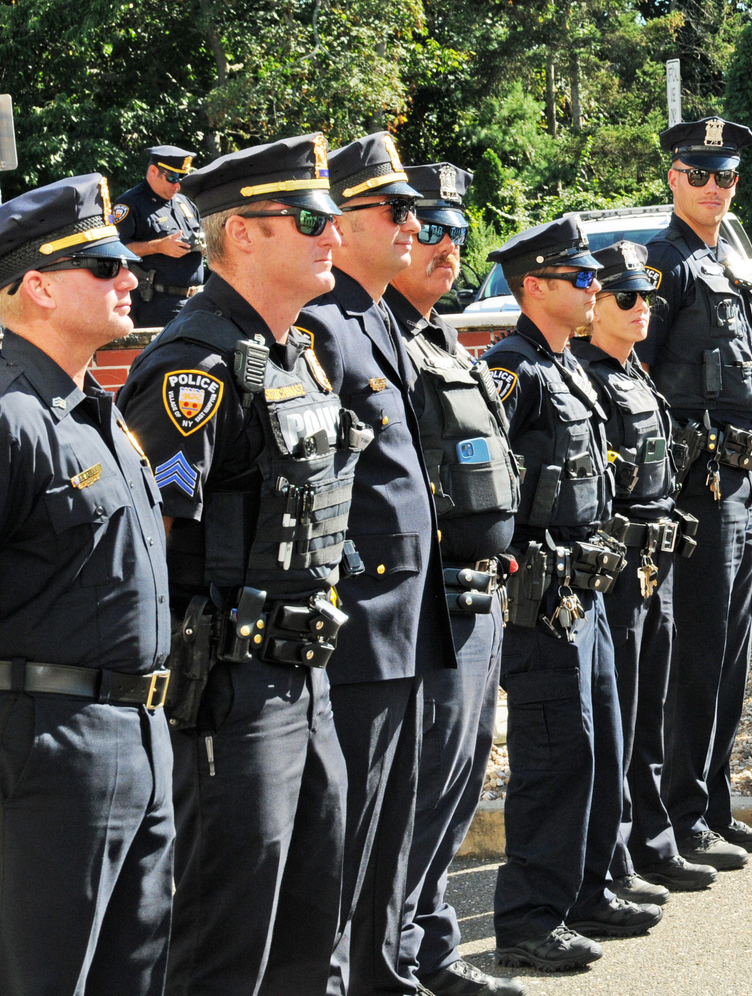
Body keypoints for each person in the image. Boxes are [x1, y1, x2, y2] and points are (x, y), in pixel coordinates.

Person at [117, 134, 357, 996]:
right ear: (243, 235)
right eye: (309, 219)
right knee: (227, 936)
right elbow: (147, 547)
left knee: (313, 920)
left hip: (306, 675)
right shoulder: (194, 368)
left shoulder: (297, 352)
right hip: (229, 692)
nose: (332, 235)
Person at [0, 173, 174, 996]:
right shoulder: (10, 417)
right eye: (105, 267)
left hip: (138, 732)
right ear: (36, 286)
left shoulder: (94, 409)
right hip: (44, 746)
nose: (131, 277)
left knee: (130, 975)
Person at [299, 131, 458, 996]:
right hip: (358, 623)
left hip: (405, 619)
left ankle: (382, 974)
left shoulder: (372, 319)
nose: (413, 223)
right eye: (394, 210)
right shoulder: (324, 326)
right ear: (341, 220)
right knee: (345, 833)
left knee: (391, 825)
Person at [482, 216, 656, 971]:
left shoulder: (569, 366)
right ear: (535, 288)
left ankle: (586, 889)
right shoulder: (512, 370)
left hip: (588, 590)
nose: (596, 289)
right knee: (553, 757)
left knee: (598, 746)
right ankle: (526, 919)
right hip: (541, 598)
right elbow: (485, 495)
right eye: (581, 279)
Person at [384, 163, 525, 996]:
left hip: (477, 595)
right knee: (417, 789)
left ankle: (434, 948)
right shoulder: (372, 337)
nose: (449, 247)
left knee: (458, 783)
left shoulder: (440, 335)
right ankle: (397, 957)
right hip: (427, 606)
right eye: (431, 230)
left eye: (460, 233)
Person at [642, 116, 752, 870]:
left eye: (725, 175)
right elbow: (635, 377)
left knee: (731, 654)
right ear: (673, 178)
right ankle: (682, 816)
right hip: (695, 490)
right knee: (695, 657)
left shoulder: (729, 255)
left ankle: (715, 806)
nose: (715, 187)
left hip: (740, 481)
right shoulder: (665, 263)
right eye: (700, 174)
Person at [570, 241, 720, 905]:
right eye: (624, 298)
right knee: (621, 718)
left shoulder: (636, 373)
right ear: (592, 307)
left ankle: (650, 844)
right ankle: (616, 856)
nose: (641, 309)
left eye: (646, 299)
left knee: (649, 712)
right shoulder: (590, 378)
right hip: (619, 568)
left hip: (654, 565)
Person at [114, 145, 207, 327]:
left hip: (195, 302)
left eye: (182, 178)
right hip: (156, 304)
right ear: (153, 171)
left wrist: (203, 247)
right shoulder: (129, 204)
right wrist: (157, 247)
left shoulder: (185, 203)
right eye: (172, 178)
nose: (177, 185)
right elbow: (116, 251)